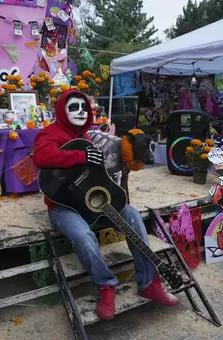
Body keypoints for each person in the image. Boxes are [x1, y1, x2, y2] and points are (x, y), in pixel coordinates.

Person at [32, 90, 179, 321]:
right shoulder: (49, 134)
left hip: (93, 202)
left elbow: (96, 173)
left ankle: (149, 281)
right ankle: (106, 286)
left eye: (84, 108)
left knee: (133, 216)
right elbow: (41, 157)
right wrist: (78, 158)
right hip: (63, 207)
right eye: (73, 107)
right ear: (62, 110)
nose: (80, 112)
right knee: (83, 236)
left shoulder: (87, 137)